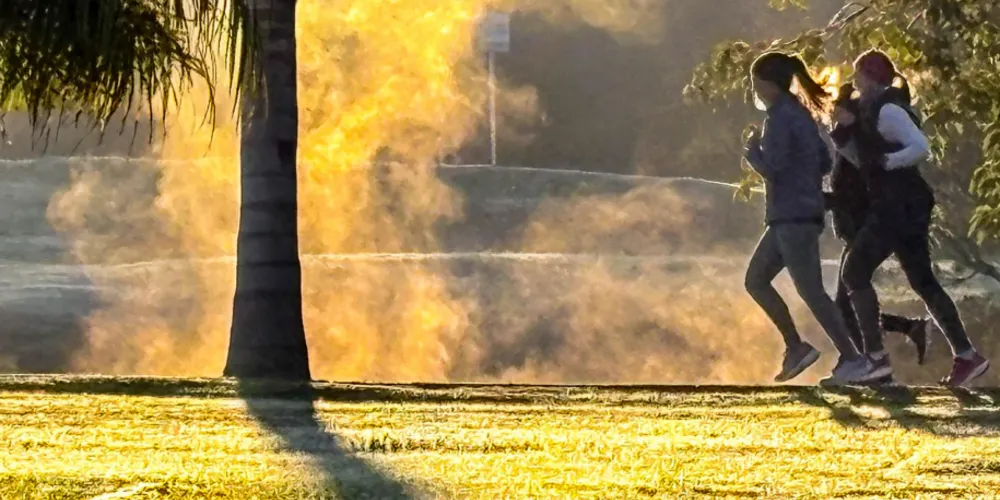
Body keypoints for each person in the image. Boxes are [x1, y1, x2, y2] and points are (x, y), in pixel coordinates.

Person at [835, 49, 989, 387]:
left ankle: (876, 359)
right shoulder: (871, 111)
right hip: (904, 205)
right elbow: (862, 159)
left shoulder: (888, 110)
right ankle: (967, 356)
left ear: (870, 78)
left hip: (898, 207)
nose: (855, 82)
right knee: (922, 280)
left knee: (854, 272)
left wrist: (885, 163)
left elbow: (920, 147)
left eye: (859, 75)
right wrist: (845, 129)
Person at [742, 51, 880, 384]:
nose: (755, 89)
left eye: (756, 82)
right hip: (797, 214)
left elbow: (774, 169)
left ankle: (854, 359)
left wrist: (752, 153)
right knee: (756, 280)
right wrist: (803, 178)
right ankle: (796, 347)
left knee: (812, 292)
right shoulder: (802, 114)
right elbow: (824, 162)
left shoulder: (778, 118)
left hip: (793, 217)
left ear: (769, 84)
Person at [825, 83, 931, 371]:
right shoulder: (850, 144)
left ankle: (871, 361)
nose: (835, 116)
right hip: (855, 226)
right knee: (845, 302)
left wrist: (826, 200)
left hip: (862, 225)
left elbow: (856, 191)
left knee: (845, 300)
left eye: (840, 112)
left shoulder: (858, 146)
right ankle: (901, 331)